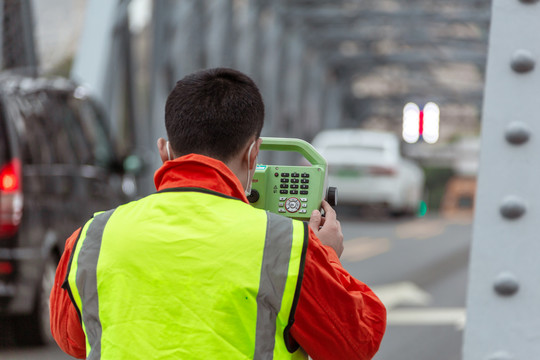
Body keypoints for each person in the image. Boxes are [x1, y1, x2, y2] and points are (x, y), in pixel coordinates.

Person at [50, 68, 386, 360]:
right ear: (254, 154)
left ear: (164, 150)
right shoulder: (287, 247)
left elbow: (72, 339)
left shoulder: (91, 238)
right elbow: (356, 344)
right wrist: (326, 257)